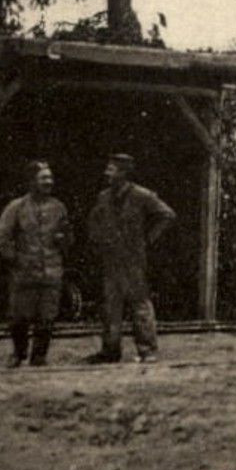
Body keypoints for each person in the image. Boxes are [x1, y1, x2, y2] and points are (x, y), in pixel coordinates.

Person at [83, 153, 176, 364]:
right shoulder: (104, 197)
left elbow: (167, 215)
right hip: (111, 259)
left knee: (140, 304)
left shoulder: (142, 195)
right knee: (110, 306)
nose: (107, 173)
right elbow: (94, 221)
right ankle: (110, 350)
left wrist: (149, 239)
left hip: (133, 259)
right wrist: (97, 240)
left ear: (124, 173)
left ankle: (147, 350)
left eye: (112, 169)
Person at [0, 161, 71, 368]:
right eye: (43, 178)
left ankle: (39, 357)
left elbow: (69, 238)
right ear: (31, 181)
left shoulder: (58, 207)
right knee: (20, 318)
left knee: (47, 318)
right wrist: (16, 260)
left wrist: (63, 239)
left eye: (50, 178)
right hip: (24, 273)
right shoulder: (16, 207)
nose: (49, 182)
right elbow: (1, 239)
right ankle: (19, 354)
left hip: (51, 271)